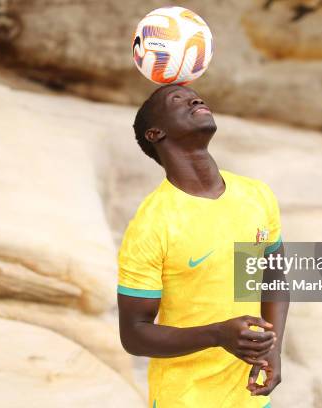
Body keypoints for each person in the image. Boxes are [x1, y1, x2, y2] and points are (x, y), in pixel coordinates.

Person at [117, 84, 289, 408]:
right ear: (155, 133)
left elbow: (274, 278)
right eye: (176, 100)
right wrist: (216, 334)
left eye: (194, 95)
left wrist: (273, 348)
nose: (194, 99)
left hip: (251, 399)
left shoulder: (256, 195)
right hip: (184, 399)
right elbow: (134, 334)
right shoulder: (152, 223)